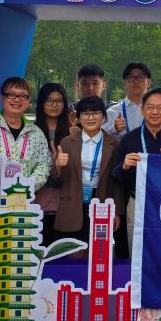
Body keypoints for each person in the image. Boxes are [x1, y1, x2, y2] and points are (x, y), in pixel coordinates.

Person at [112, 88, 161, 258]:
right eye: (150, 107)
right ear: (142, 110)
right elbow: (115, 174)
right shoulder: (129, 139)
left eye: (160, 107)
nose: (155, 112)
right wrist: (124, 165)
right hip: (138, 202)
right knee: (137, 253)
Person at [54, 96, 126, 247]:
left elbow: (118, 181)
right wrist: (58, 167)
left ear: (103, 116)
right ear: (78, 118)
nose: (91, 118)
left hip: (102, 202)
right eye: (85, 113)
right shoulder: (67, 142)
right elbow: (56, 179)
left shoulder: (114, 143)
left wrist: (117, 211)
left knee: (99, 252)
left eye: (95, 113)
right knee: (73, 252)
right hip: (73, 203)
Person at [33, 83, 72, 246]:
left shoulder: (73, 132)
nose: (55, 105)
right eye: (49, 100)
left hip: (65, 208)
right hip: (37, 206)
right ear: (41, 103)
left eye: (59, 101)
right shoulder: (31, 132)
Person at [106, 62, 151, 137]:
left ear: (148, 82)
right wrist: (113, 129)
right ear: (124, 83)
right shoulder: (112, 112)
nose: (135, 81)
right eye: (131, 77)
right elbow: (99, 137)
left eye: (141, 77)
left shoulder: (157, 112)